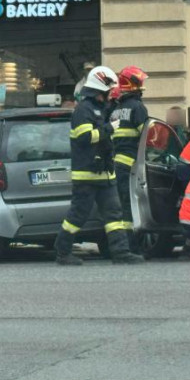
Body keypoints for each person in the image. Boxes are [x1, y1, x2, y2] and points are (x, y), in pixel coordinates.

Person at [54, 65, 144, 266]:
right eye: (110, 87)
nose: (113, 91)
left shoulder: (103, 109)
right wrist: (108, 128)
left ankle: (121, 253)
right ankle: (62, 251)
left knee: (114, 215)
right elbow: (86, 137)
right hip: (86, 175)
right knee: (77, 216)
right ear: (100, 87)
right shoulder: (83, 110)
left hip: (105, 174)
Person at [110, 66, 149, 252]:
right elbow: (148, 137)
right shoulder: (138, 107)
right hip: (133, 164)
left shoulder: (116, 110)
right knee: (131, 207)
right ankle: (132, 247)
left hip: (117, 164)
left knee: (124, 205)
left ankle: (124, 245)